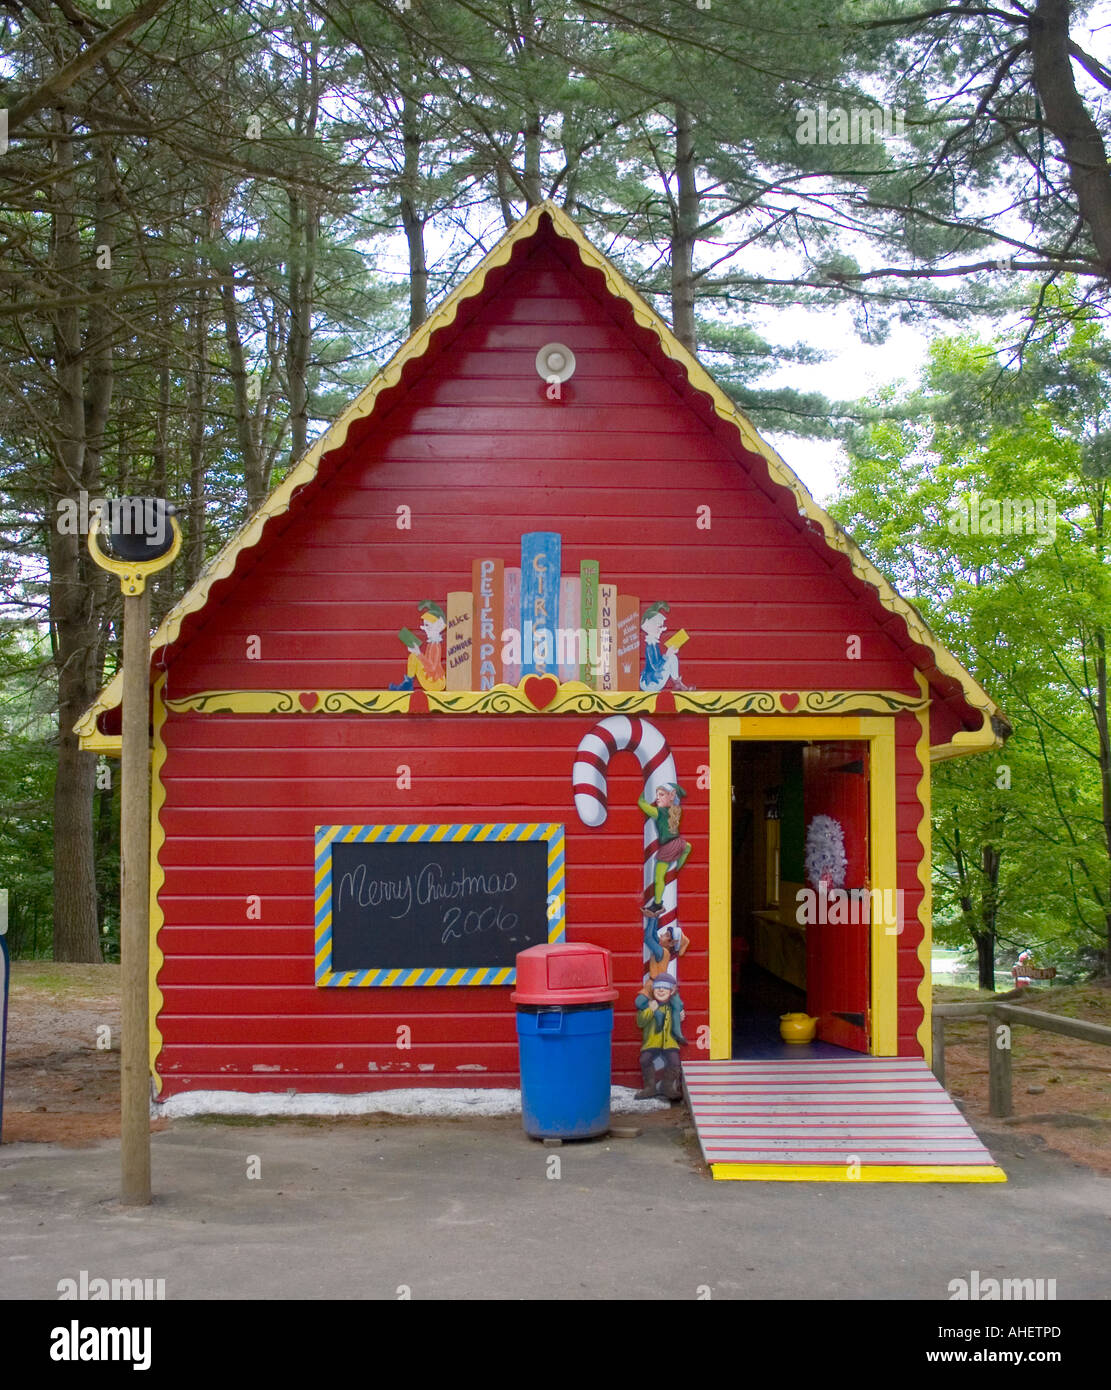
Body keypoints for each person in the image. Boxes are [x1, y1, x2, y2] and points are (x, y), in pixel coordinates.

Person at [638, 783, 691, 919]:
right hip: (677, 843)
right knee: (672, 866)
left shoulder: (660, 812)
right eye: (656, 795)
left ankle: (657, 904)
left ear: (671, 796)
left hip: (668, 846)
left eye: (661, 795)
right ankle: (684, 853)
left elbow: (642, 804)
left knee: (658, 878)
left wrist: (644, 790)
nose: (657, 798)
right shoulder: (675, 810)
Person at [635, 974, 685, 1100]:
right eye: (658, 987)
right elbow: (640, 1022)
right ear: (653, 990)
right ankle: (650, 1087)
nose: (661, 990)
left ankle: (666, 1087)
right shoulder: (649, 1005)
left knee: (674, 1062)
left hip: (669, 1042)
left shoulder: (672, 1008)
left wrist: (680, 1016)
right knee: (645, 1060)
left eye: (665, 988)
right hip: (652, 1041)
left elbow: (675, 1021)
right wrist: (651, 1011)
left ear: (671, 991)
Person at [389, 599, 447, 691]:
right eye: (424, 626)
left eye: (428, 626)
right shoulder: (432, 643)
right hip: (433, 680)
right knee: (413, 656)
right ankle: (407, 684)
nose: (425, 629)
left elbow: (432, 667)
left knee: (414, 656)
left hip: (435, 682)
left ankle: (407, 684)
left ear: (438, 625)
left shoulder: (435, 645)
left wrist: (419, 653)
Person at [639, 601, 693, 692]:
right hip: (650, 684)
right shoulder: (650, 646)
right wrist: (667, 655)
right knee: (672, 658)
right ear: (648, 625)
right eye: (659, 627)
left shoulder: (653, 644)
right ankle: (678, 684)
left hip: (651, 679)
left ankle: (678, 683)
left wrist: (669, 653)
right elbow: (655, 667)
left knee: (672, 657)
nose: (661, 630)